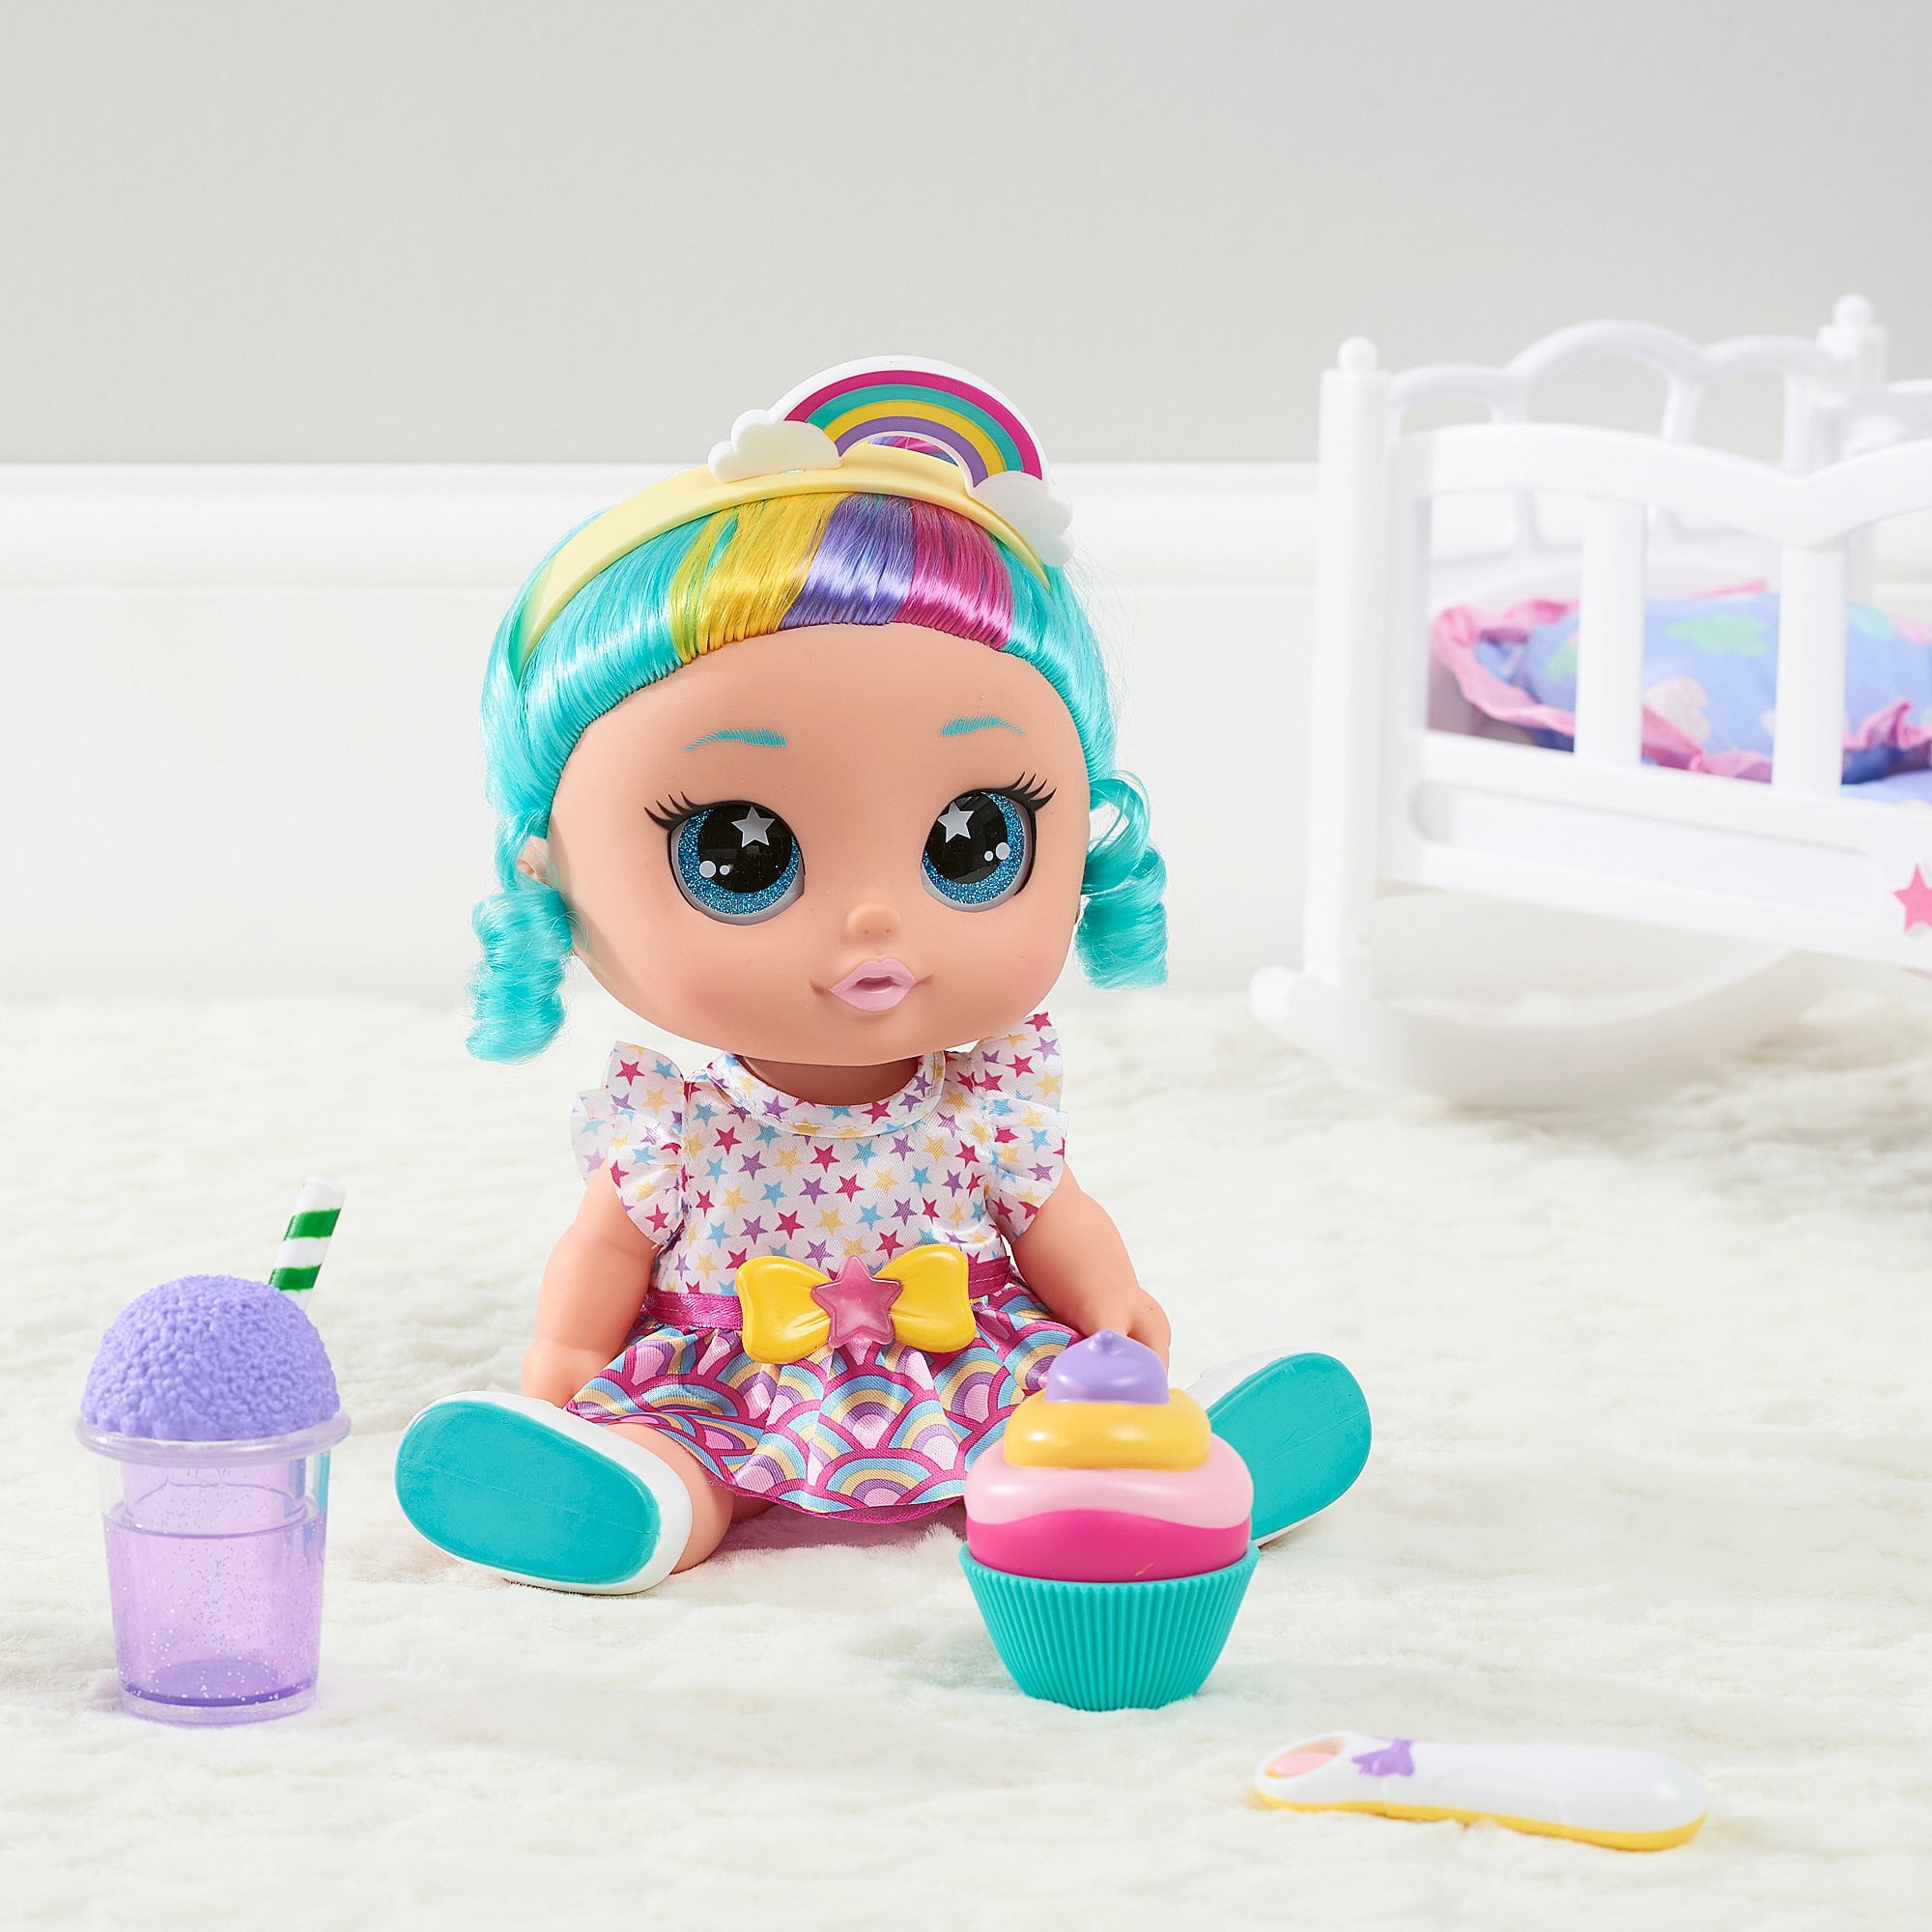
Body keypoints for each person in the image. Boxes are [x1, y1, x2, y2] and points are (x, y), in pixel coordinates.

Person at [394, 360, 1370, 1593]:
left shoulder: (983, 1104)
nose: (874, 919)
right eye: (738, 853)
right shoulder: (672, 1127)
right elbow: (603, 1249)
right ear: (549, 871)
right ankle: (628, 1498)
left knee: (1054, 1435)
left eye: (971, 842)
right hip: (731, 1372)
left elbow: (1049, 1213)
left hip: (968, 1359)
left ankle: (1170, 1477)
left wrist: (1110, 1298)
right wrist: (567, 1361)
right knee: (687, 1451)